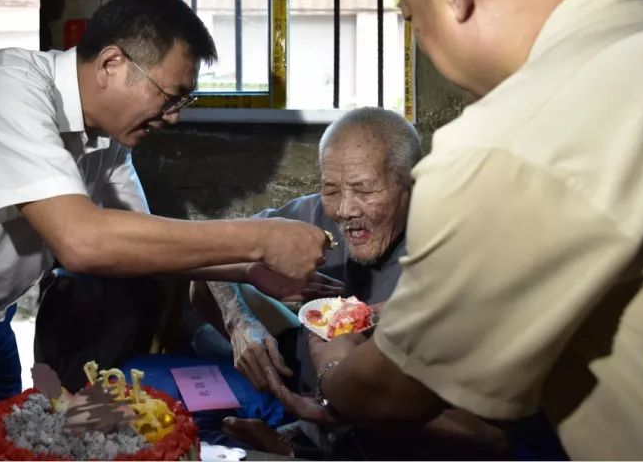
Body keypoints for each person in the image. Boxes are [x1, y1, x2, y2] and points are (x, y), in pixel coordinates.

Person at [270, 0, 643, 460]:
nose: (423, 38)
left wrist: (328, 357)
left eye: (411, 17)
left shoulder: (506, 141)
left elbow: (393, 396)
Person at [0, 0, 333, 405]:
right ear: (113, 63)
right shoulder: (8, 86)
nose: (175, 115)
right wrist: (261, 238)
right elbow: (82, 242)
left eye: (186, 101)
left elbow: (147, 245)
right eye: (171, 95)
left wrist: (247, 271)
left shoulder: (107, 140)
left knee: (0, 450)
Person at [194, 109, 508, 459]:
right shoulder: (313, 217)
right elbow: (208, 255)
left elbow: (489, 438)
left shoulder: (454, 252)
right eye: (331, 189)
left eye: (364, 189)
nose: (344, 209)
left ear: (413, 182)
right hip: (313, 427)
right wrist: (241, 324)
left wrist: (346, 404)